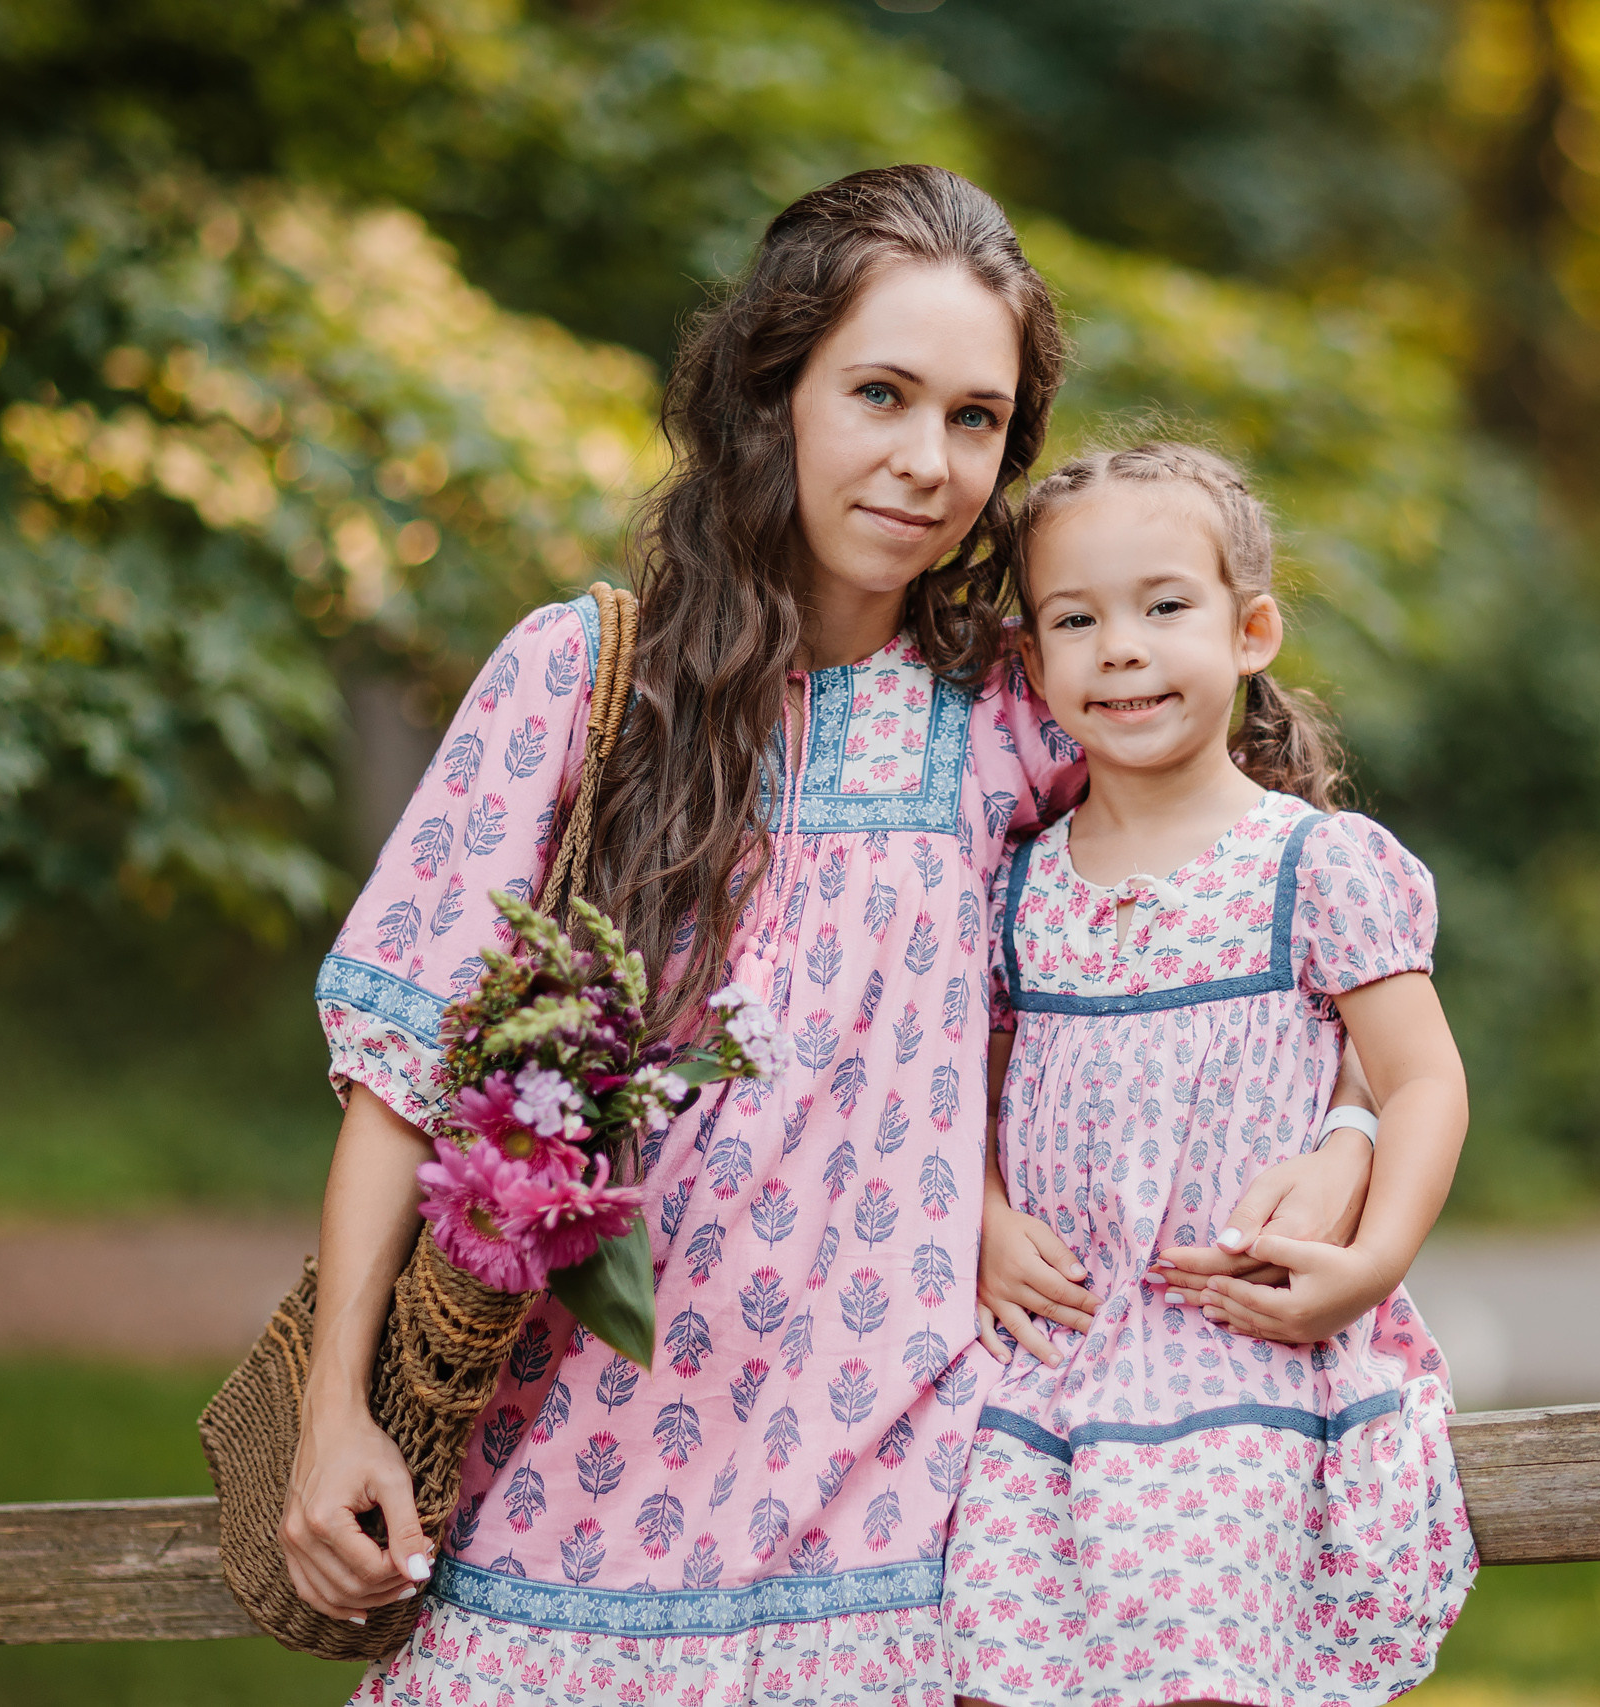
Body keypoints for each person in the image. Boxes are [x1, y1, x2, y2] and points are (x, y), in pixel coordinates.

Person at [284, 166, 1378, 1707]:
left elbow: (1275, 933)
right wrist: (339, 1413)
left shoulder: (1029, 701)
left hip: (907, 1509)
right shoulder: (583, 681)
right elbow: (401, 1065)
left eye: (976, 419)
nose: (928, 463)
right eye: (879, 393)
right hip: (574, 1474)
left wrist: (1344, 1128)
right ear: (772, 388)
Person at [947, 442, 1477, 1707]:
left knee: (1203, 1659)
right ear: (1033, 662)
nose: (1119, 647)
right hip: (1054, 1352)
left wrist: (1368, 1267)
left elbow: (1420, 1085)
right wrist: (986, 1216)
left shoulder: (1315, 866)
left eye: (1163, 606)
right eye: (1076, 620)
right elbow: (969, 1094)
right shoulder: (1019, 886)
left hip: (1236, 1348)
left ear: (1251, 632)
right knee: (989, 1654)